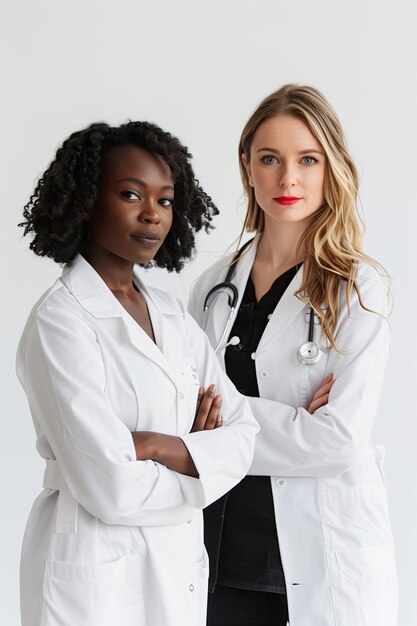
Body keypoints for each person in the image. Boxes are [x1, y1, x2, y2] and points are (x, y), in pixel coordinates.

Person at [16, 121, 259, 626]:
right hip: (95, 573)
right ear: (86, 201)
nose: (153, 214)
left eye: (166, 200)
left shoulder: (171, 314)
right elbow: (110, 489)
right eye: (131, 194)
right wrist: (199, 461)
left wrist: (158, 446)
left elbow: (244, 436)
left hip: (176, 565)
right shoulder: (61, 321)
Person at [189, 84, 398, 626]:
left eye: (308, 159)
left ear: (331, 167)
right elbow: (180, 418)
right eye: (270, 159)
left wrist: (222, 427)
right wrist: (293, 424)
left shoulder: (358, 290)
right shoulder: (212, 290)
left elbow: (338, 442)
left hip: (317, 556)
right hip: (215, 555)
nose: (288, 178)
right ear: (247, 167)